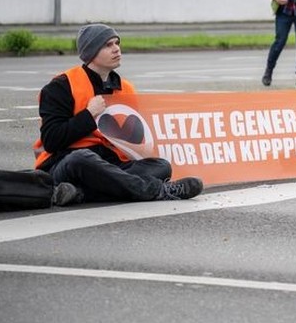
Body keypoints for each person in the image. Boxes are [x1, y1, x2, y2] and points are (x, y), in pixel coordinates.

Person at [33, 24, 204, 204]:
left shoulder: (125, 88)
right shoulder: (61, 86)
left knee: (161, 166)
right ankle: (157, 190)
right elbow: (52, 141)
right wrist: (89, 115)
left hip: (111, 163)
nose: (116, 49)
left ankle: (79, 193)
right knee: (82, 158)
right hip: (65, 162)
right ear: (91, 52)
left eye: (117, 43)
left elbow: (133, 140)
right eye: (108, 45)